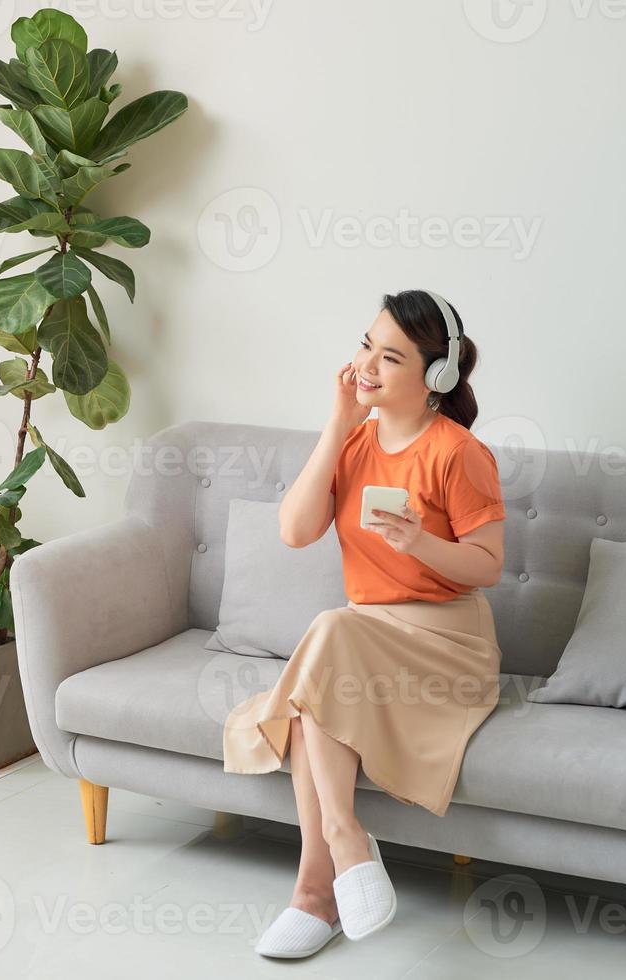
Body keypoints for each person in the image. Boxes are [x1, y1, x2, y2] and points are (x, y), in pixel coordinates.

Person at [222, 289, 507, 958]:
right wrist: (336, 421)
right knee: (327, 661)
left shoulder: (457, 452)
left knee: (325, 647)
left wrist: (419, 544)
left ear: (436, 376)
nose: (367, 366)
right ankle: (322, 882)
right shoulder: (353, 441)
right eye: (365, 347)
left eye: (390, 357)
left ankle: (329, 868)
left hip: (447, 645)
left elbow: (487, 566)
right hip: (364, 641)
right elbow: (294, 531)